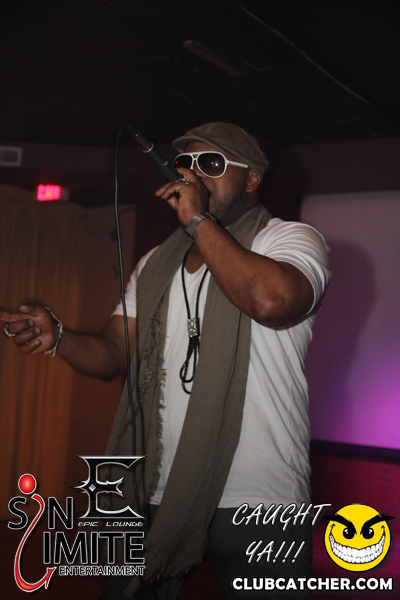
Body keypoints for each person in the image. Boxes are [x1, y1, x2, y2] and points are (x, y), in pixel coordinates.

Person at [1, 122, 331, 599]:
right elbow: (116, 353)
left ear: (252, 178)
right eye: (184, 164)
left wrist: (198, 221)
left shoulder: (291, 241)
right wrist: (60, 339)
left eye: (211, 163)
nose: (193, 174)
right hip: (154, 485)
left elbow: (272, 301)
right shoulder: (157, 261)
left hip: (257, 492)